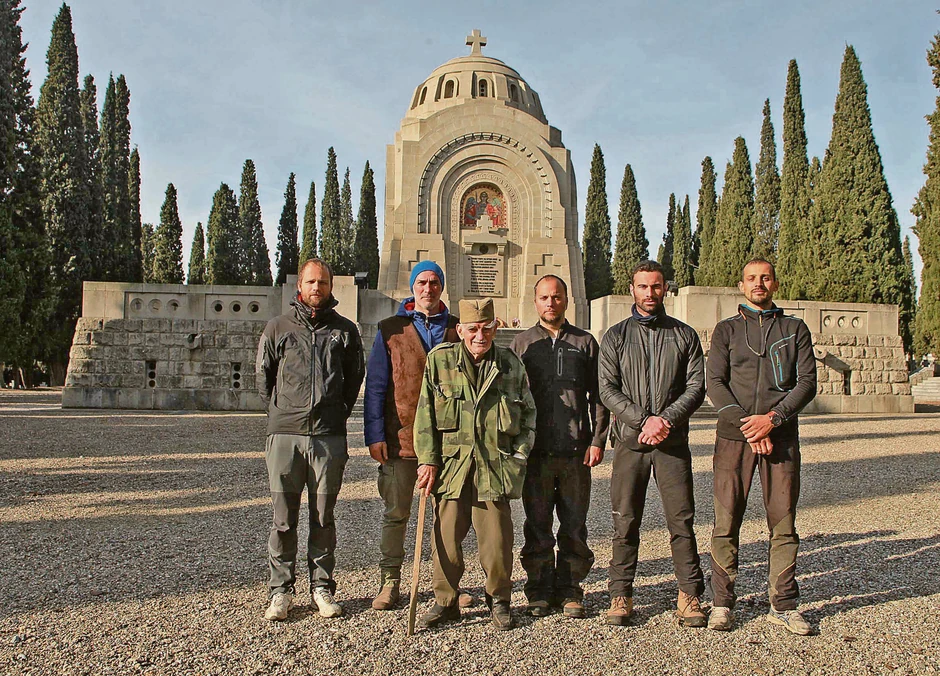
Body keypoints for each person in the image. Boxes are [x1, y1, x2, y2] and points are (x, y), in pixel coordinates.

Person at [705, 259, 817, 635]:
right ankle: (722, 603)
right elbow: (715, 384)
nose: (759, 284)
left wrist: (772, 419)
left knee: (783, 522)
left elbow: (806, 384)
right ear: (741, 285)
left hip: (781, 437)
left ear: (775, 283)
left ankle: (783, 605)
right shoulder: (726, 330)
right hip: (733, 438)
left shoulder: (794, 328)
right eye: (752, 278)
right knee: (726, 522)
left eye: (765, 278)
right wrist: (750, 425)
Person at [413, 298, 536, 631]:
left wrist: (520, 455)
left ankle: (499, 599)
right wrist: (427, 460)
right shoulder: (439, 362)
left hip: (494, 466)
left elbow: (528, 415)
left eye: (486, 328)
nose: (479, 335)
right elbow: (424, 415)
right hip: (452, 466)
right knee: (446, 540)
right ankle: (446, 602)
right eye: (472, 329)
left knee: (497, 541)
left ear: (496, 327)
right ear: (460, 330)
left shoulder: (510, 364)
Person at [598, 260, 707, 628]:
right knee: (625, 520)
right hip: (631, 441)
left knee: (681, 519)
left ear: (665, 289)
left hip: (671, 443)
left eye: (656, 286)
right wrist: (644, 421)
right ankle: (621, 592)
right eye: (643, 287)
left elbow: (696, 387)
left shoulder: (684, 335)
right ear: (632, 288)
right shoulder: (615, 337)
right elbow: (607, 390)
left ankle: (689, 593)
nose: (649, 293)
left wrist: (665, 421)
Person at [256, 258, 364, 621]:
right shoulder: (278, 327)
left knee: (323, 517)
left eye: (323, 282)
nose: (317, 288)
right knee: (283, 519)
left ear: (331, 287)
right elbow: (264, 377)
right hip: (285, 435)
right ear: (299, 286)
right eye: (311, 282)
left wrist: (336, 413)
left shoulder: (345, 331)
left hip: (327, 438)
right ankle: (281, 591)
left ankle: (321, 587)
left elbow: (353, 379)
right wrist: (281, 412)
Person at [363, 261, 461, 610]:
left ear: (442, 287)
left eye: (434, 282)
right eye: (422, 282)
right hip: (400, 438)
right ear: (412, 286)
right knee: (396, 514)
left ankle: (447, 585)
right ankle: (390, 581)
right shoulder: (390, 329)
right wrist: (375, 434)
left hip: (449, 443)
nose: (428, 289)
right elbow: (376, 385)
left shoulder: (457, 329)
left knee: (447, 518)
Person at [510, 275, 609, 618]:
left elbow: (599, 396)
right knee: (536, 524)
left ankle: (570, 589)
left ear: (566, 300)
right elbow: (511, 400)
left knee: (574, 524)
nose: (550, 303)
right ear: (534, 301)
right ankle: (538, 589)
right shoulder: (522, 345)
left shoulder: (585, 342)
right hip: (535, 453)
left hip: (575, 451)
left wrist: (597, 439)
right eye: (544, 297)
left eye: (556, 297)